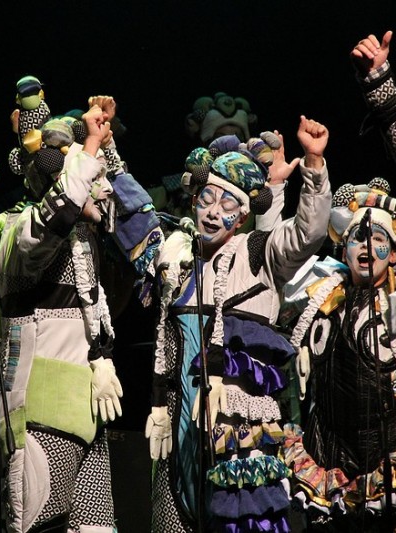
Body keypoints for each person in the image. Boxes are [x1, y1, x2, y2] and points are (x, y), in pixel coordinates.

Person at [145, 116, 332, 531]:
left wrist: (314, 167)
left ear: (244, 214)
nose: (213, 212)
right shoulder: (180, 259)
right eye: (207, 198)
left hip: (236, 436)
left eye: (227, 205)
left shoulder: (257, 254)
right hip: (179, 432)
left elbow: (309, 233)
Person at [283, 30, 396, 531]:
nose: (366, 248)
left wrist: (384, 91)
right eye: (356, 239)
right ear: (341, 246)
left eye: (378, 240)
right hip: (332, 467)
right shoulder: (323, 294)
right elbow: (274, 261)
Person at [0, 80, 159, 530]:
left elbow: (135, 221)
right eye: (91, 179)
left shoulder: (88, 242)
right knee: (42, 522)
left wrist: (104, 145)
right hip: (44, 412)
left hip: (86, 408)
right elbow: (62, 208)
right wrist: (87, 146)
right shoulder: (23, 230)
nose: (100, 189)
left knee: (94, 527)